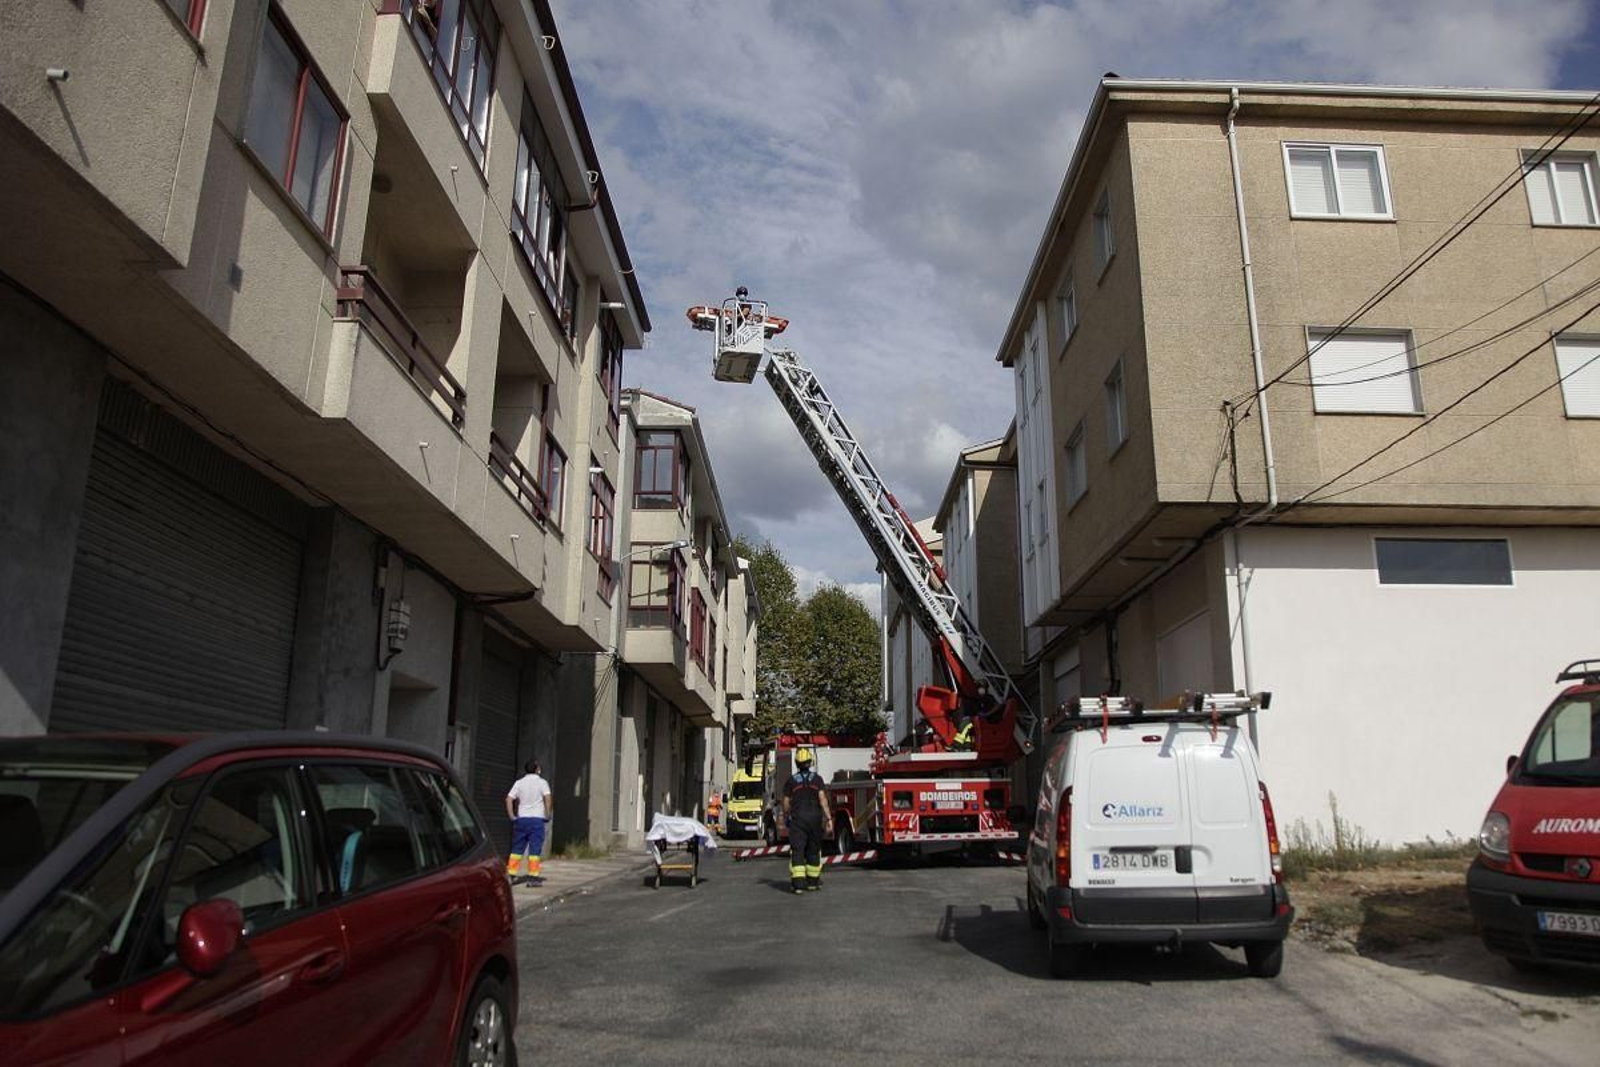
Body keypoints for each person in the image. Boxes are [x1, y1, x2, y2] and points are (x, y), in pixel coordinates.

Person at [782, 748, 831, 894]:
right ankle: (812, 883)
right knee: (813, 850)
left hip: (798, 819)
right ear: (810, 762)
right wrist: (829, 818)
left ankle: (798, 885)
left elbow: (786, 802)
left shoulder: (791, 781)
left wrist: (786, 815)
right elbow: (823, 800)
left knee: (798, 850)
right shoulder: (817, 779)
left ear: (797, 763)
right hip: (815, 819)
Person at [505, 760, 552, 886]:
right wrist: (547, 814)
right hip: (537, 820)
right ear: (537, 769)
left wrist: (512, 816)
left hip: (522, 820)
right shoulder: (542, 782)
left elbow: (509, 799)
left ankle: (511, 875)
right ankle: (533, 877)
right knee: (534, 850)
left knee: (517, 849)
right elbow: (547, 798)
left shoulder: (519, 783)